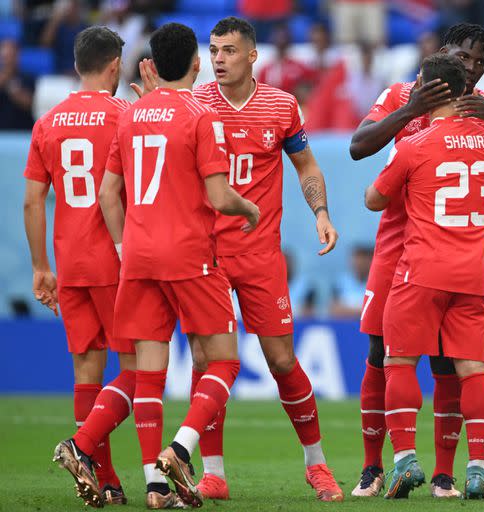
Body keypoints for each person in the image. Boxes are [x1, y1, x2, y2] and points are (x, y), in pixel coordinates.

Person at [348, 22, 484, 498]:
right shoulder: (402, 95)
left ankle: (443, 473)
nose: (472, 69)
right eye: (465, 58)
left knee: (446, 365)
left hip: (434, 254)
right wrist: (411, 109)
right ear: (444, 52)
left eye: (481, 62)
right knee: (379, 356)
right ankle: (372, 467)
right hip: (397, 248)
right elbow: (359, 145)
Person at [56, 22, 260, 510]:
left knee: (148, 373)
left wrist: (127, 248)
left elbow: (109, 193)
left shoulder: (129, 115)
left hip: (139, 257)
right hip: (189, 255)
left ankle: (128, 471)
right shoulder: (202, 115)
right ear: (195, 64)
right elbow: (217, 195)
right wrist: (248, 209)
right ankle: (181, 449)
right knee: (225, 359)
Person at [187, 16, 342, 502]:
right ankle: (213, 473)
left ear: (252, 55)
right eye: (213, 50)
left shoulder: (281, 105)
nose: (218, 59)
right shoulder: (194, 104)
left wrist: (320, 212)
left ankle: (316, 465)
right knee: (206, 359)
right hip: (206, 252)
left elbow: (306, 164)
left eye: (229, 51)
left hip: (259, 254)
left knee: (280, 359)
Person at [364, 53, 484, 499]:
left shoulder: (416, 145)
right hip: (473, 275)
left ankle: (406, 460)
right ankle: (476, 470)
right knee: (474, 372)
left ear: (430, 90)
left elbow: (374, 199)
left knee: (398, 362)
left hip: (421, 271)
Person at [24, 26, 133, 507]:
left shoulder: (47, 122)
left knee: (87, 369)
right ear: (114, 66)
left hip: (68, 262)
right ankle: (83, 446)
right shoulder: (124, 115)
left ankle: (106, 481)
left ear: (76, 65)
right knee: (140, 367)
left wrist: (40, 267)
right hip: (115, 259)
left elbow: (32, 201)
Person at [0, 38, 35, 131]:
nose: (8, 60)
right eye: (5, 57)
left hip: (22, 133)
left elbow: (32, 104)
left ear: (17, 56)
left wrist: (14, 90)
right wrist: (5, 78)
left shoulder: (28, 78)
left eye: (11, 55)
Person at [330, 245, 374, 318]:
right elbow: (334, 310)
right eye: (357, 259)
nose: (359, 263)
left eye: (364, 259)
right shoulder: (340, 283)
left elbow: (376, 311)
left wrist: (347, 310)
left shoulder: (377, 285)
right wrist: (362, 311)